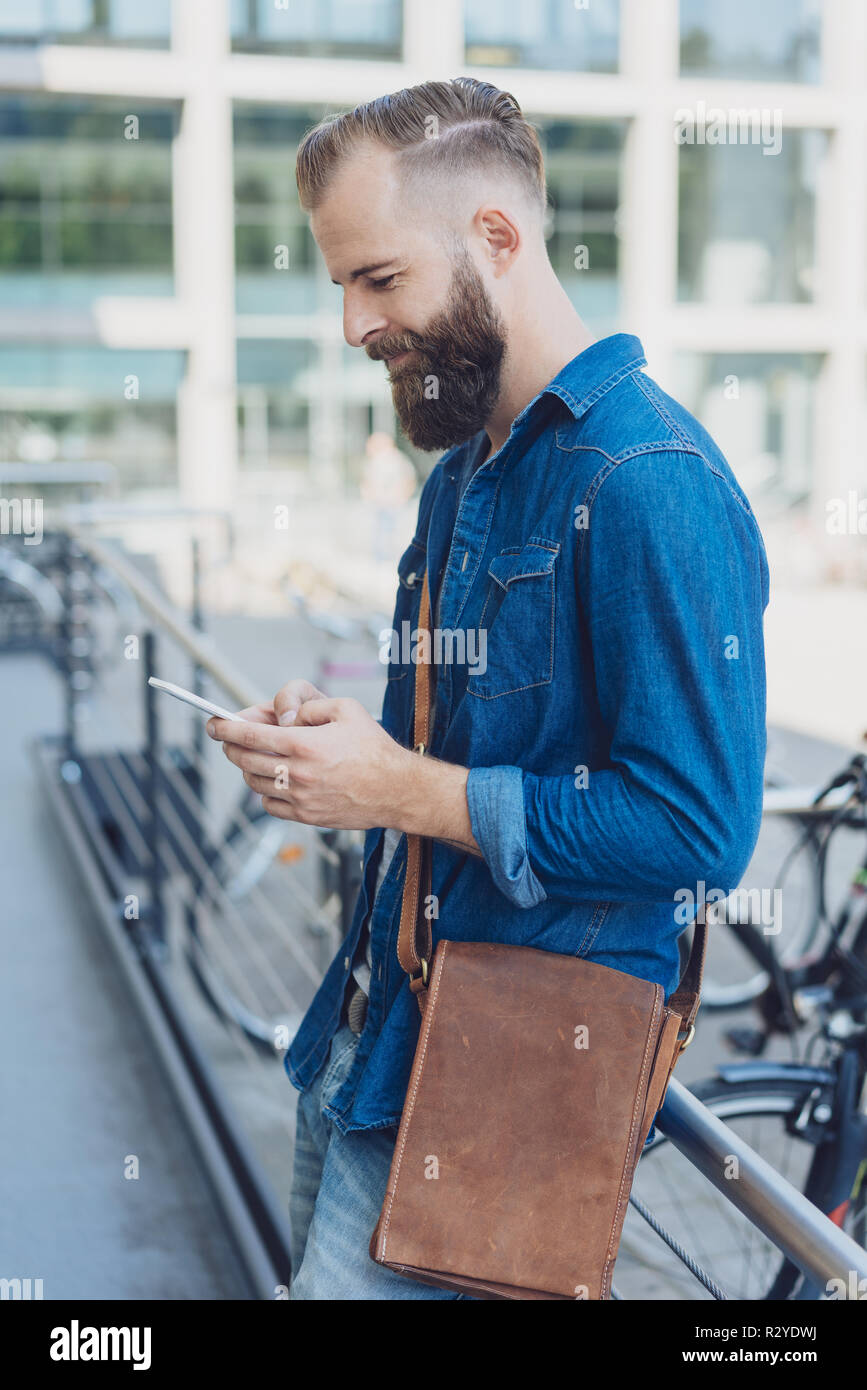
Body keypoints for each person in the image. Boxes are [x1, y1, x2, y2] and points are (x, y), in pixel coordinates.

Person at [206, 76, 769, 1299]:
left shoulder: (650, 481)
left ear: (496, 239)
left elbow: (699, 831)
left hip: (499, 1102)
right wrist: (346, 749)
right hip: (364, 1047)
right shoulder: (465, 470)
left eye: (380, 279)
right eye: (342, 284)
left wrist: (403, 788)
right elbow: (447, 752)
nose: (354, 324)